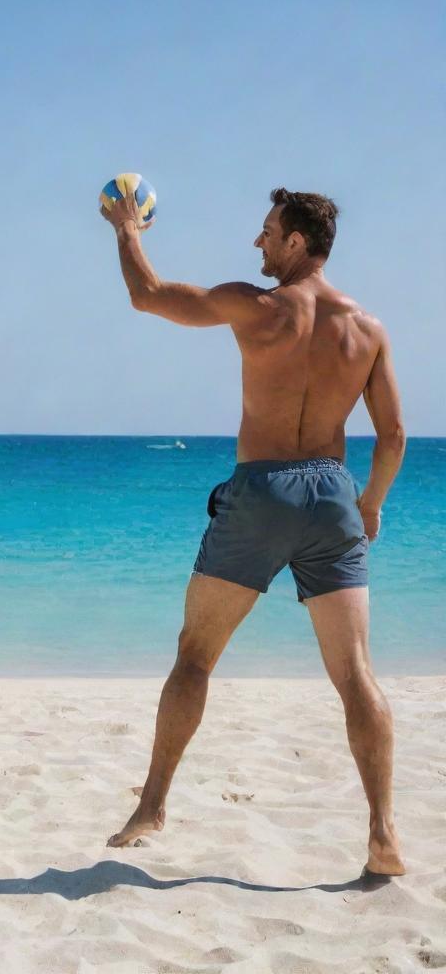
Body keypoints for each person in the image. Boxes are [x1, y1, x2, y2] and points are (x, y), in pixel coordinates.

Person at [99, 186, 406, 875]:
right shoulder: (367, 328)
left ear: (297, 242)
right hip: (332, 494)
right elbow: (393, 434)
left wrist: (126, 230)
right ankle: (383, 836)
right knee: (356, 674)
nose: (258, 243)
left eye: (268, 232)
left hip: (262, 486)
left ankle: (151, 806)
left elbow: (147, 295)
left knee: (195, 655)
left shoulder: (257, 305)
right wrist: (372, 504)